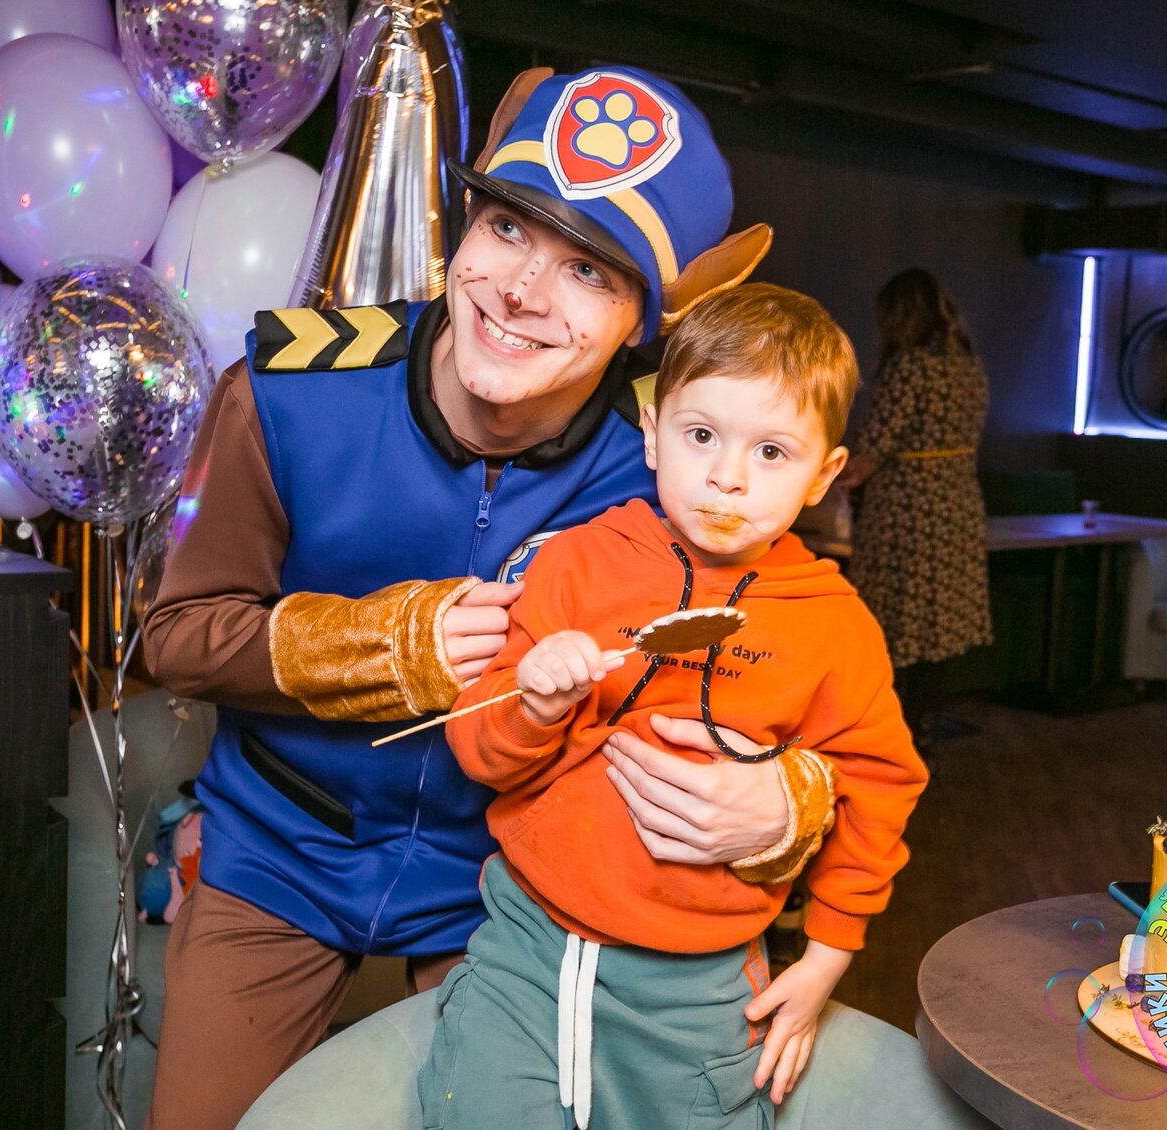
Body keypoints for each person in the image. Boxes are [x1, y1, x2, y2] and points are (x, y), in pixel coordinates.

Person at [141, 66, 837, 1129]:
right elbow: (176, 635)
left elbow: (795, 660)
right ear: (465, 221)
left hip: (509, 883)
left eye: (589, 272)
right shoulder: (287, 393)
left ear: (648, 323)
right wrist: (382, 644)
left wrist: (790, 800)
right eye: (510, 228)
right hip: (279, 849)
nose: (522, 290)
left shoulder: (670, 459)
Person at [422, 284, 928, 1129]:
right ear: (653, 435)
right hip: (525, 949)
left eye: (772, 453)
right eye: (701, 436)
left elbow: (878, 786)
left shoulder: (837, 625)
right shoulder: (576, 565)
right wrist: (534, 703)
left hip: (701, 986)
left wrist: (829, 956)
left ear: (824, 475)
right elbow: (480, 751)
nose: (728, 477)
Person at [847, 269, 992, 735]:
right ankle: (927, 720)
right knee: (940, 622)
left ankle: (895, 726)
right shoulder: (968, 365)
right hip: (958, 501)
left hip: (908, 508)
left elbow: (872, 450)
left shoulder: (908, 366)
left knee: (896, 618)